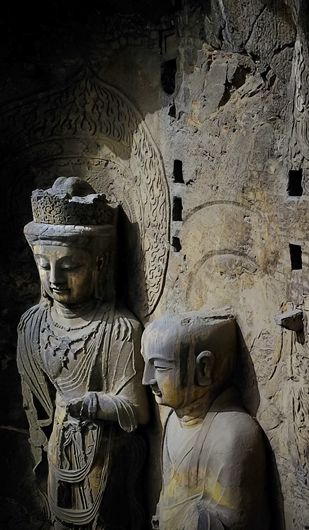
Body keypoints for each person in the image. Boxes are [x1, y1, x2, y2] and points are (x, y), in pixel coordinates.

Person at [17, 177, 149, 529]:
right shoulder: (33, 324)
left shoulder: (118, 329)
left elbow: (137, 410)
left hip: (103, 458)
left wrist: (92, 404)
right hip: (57, 449)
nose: (55, 278)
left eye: (70, 266)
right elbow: (36, 406)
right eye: (44, 265)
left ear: (99, 264)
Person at [142, 310, 269, 530]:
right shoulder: (173, 420)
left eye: (160, 367)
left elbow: (238, 522)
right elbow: (168, 496)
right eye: (146, 365)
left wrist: (190, 519)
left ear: (203, 368)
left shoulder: (233, 434)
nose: (147, 380)